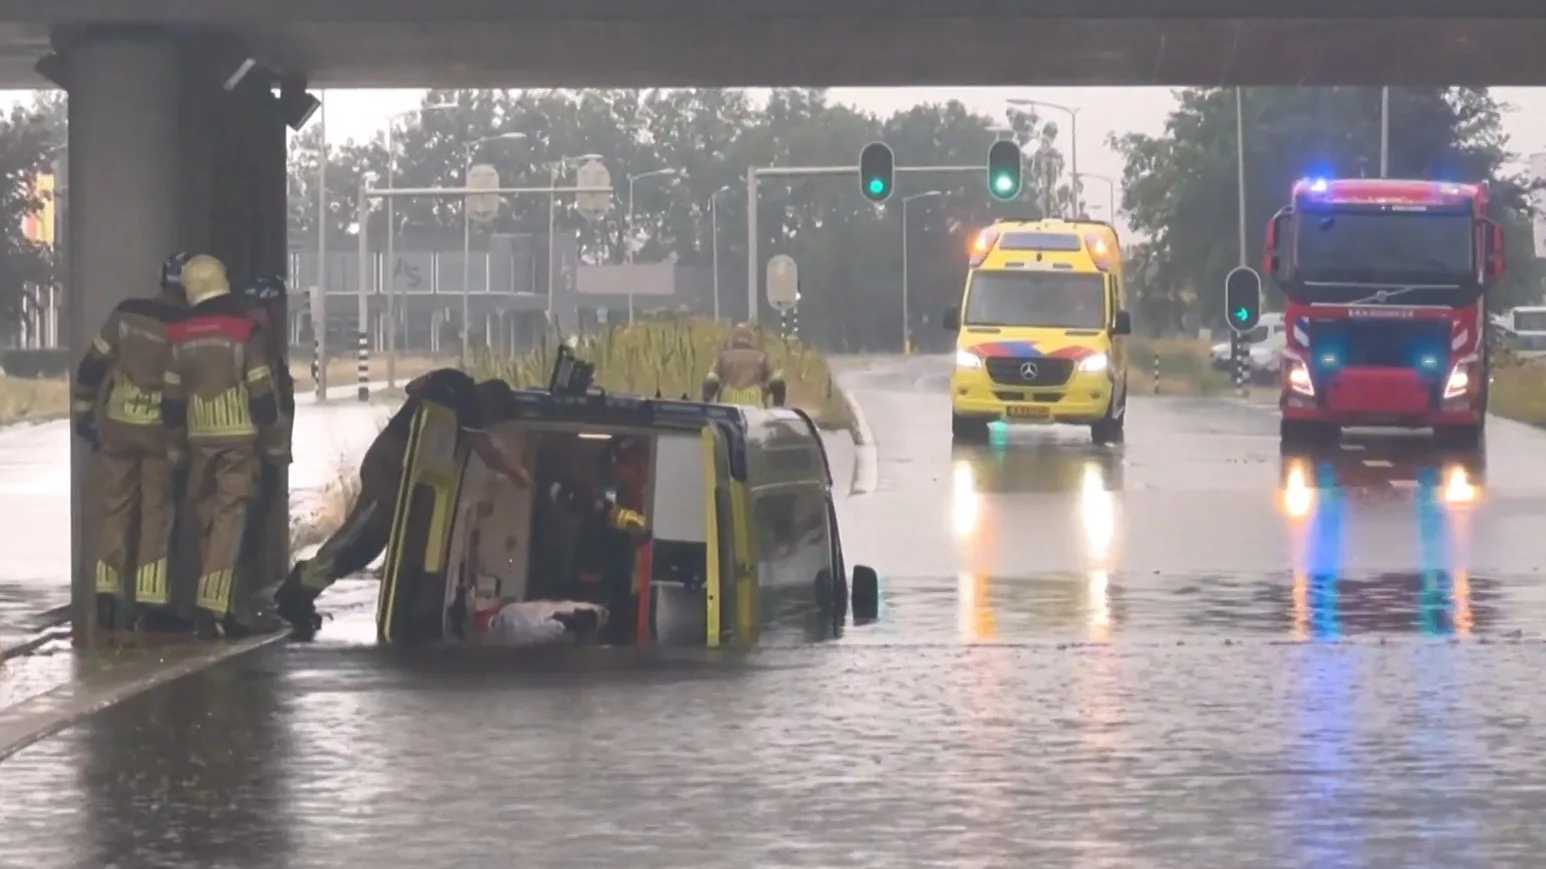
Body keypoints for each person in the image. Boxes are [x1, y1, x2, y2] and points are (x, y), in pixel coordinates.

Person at [272, 369, 532, 639]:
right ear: (491, 403)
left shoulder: (450, 379)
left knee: (366, 546)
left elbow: (411, 386)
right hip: (389, 470)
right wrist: (520, 476)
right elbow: (487, 452)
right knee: (357, 539)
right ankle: (298, 590)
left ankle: (304, 592)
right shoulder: (469, 404)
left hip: (392, 464)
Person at [162, 254, 291, 639]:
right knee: (230, 520)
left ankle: (206, 601)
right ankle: (215, 608)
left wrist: (178, 446)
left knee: (204, 519)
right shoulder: (243, 330)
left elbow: (171, 403)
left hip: (198, 440)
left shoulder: (179, 334)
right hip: (239, 441)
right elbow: (264, 399)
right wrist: (271, 441)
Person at [70, 251, 192, 631]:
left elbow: (92, 364)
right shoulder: (189, 327)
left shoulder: (125, 315)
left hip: (117, 426)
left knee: (115, 509)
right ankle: (149, 601)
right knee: (157, 513)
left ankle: (106, 593)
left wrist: (84, 412)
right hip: (159, 431)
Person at [549, 435, 651, 643]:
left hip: (641, 588)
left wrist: (609, 512)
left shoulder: (653, 491)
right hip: (626, 586)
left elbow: (646, 528)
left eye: (625, 465)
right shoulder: (625, 495)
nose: (620, 473)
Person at [701, 323, 786, 407]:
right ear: (750, 338)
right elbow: (775, 379)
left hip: (728, 402)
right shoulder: (762, 356)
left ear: (733, 337)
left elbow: (711, 378)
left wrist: (706, 400)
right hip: (755, 402)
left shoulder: (723, 355)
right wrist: (777, 402)